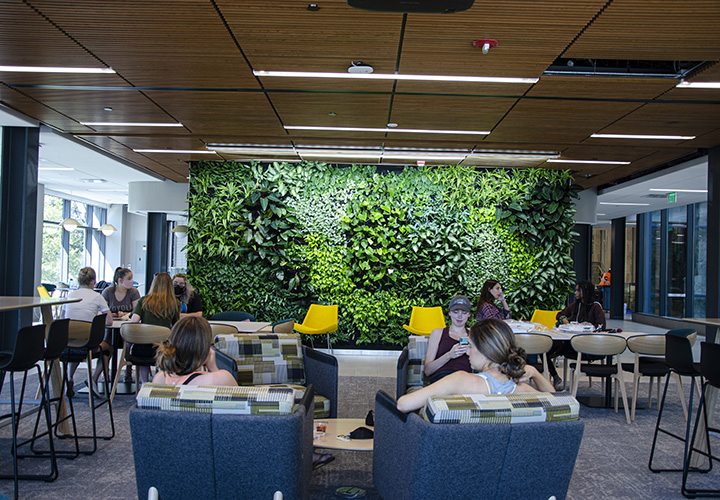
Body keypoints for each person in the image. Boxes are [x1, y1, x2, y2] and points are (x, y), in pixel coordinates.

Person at [397, 318, 554, 412]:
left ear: (485, 350)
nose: (467, 353)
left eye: (470, 346)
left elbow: (403, 404)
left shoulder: (458, 380)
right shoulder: (522, 390)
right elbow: (558, 404)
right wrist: (534, 372)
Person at [61, 267, 114, 396]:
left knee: (76, 344)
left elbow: (61, 319)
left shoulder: (70, 296)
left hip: (67, 345)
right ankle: (93, 379)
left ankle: (70, 378)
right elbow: (109, 322)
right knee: (109, 348)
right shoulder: (97, 297)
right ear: (93, 282)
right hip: (88, 345)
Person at [546, 280, 607, 390]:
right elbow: (559, 314)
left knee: (555, 348)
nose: (575, 292)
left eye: (578, 290)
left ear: (585, 292)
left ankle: (556, 354)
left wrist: (585, 329)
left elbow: (600, 326)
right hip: (570, 342)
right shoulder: (576, 305)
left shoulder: (595, 307)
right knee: (544, 349)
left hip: (587, 345)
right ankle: (555, 376)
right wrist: (565, 321)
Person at [152, 316, 237, 386]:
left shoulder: (159, 379)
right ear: (206, 351)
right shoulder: (220, 379)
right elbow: (240, 402)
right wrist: (213, 367)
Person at [130, 272, 181, 384]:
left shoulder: (144, 301)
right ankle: (160, 381)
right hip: (163, 349)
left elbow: (133, 321)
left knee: (143, 348)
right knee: (166, 347)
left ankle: (144, 383)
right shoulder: (175, 303)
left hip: (142, 349)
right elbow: (175, 326)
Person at [102, 267, 141, 383]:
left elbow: (136, 311)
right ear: (120, 280)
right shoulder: (108, 292)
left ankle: (128, 372)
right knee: (106, 342)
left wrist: (125, 314)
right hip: (111, 326)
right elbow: (103, 311)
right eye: (129, 278)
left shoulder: (133, 292)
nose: (131, 281)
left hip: (126, 326)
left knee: (128, 344)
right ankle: (106, 373)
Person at [423, 295, 474, 383]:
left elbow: (482, 366)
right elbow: (427, 371)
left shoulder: (473, 335)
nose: (460, 316)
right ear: (450, 313)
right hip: (443, 378)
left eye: (464, 312)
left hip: (465, 379)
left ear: (469, 315)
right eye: (456, 312)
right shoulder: (438, 333)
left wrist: (472, 352)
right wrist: (449, 355)